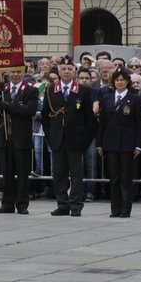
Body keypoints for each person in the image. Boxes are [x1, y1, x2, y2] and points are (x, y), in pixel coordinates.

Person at [44, 61, 96, 217]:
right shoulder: (51, 89)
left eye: (70, 69)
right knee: (59, 174)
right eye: (64, 69)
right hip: (58, 139)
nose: (66, 71)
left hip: (76, 139)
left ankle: (76, 204)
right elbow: (46, 116)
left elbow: (90, 118)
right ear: (59, 72)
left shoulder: (83, 90)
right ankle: (62, 204)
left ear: (74, 71)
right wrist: (50, 137)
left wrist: (84, 140)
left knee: (76, 175)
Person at [96, 68, 141, 219]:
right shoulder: (107, 99)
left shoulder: (134, 98)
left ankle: (125, 209)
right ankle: (114, 209)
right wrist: (100, 143)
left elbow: (139, 124)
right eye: (117, 80)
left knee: (125, 178)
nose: (119, 82)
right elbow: (102, 123)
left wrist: (138, 145)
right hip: (110, 143)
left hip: (127, 144)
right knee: (113, 177)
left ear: (127, 82)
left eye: (122, 80)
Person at [0, 70, 38, 215]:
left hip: (21, 137)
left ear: (23, 73)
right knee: (7, 173)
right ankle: (7, 203)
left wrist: (8, 106)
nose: (15, 74)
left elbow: (29, 110)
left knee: (23, 173)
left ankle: (22, 204)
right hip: (4, 136)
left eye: (18, 72)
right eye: (13, 72)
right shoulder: (3, 89)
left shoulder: (31, 90)